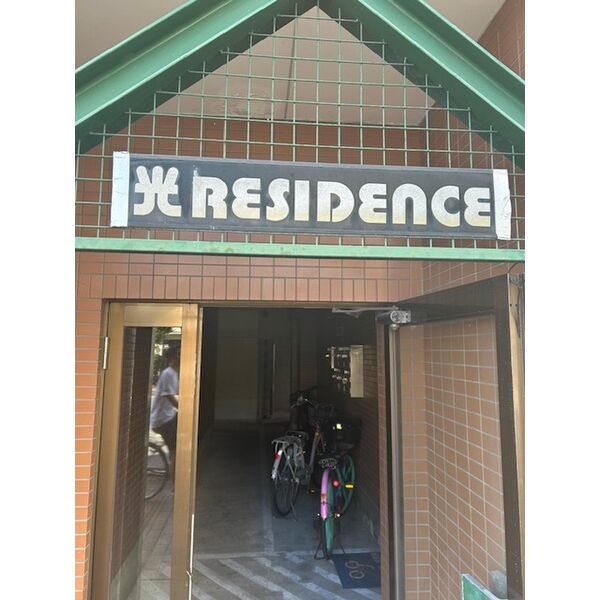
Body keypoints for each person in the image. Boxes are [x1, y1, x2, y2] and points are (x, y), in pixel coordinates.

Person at [150, 344, 180, 480]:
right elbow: (170, 396)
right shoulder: (168, 373)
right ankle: (175, 483)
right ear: (172, 358)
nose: (180, 358)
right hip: (163, 419)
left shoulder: (173, 373)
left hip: (168, 416)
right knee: (177, 451)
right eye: (178, 355)